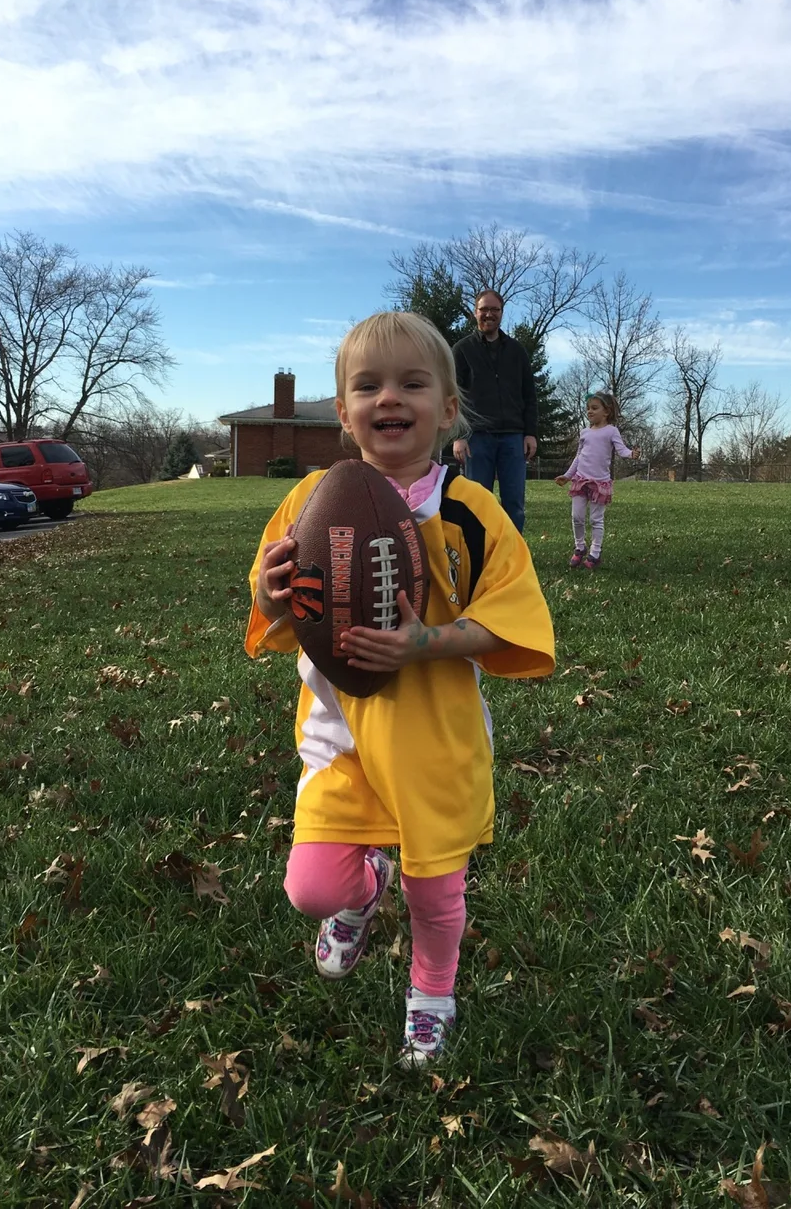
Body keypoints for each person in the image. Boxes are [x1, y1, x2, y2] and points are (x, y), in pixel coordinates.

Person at [247, 311, 554, 1069]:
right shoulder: (310, 500)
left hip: (433, 739)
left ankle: (432, 994)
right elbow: (269, 597)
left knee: (435, 892)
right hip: (341, 735)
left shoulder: (472, 511)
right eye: (368, 386)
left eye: (412, 384)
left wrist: (427, 644)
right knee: (312, 888)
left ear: (447, 410)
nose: (389, 397)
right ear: (343, 412)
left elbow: (512, 616)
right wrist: (269, 592)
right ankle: (363, 887)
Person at [452, 290, 537, 533]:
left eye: (494, 310)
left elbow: (529, 395)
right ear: (475, 312)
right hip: (476, 438)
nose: (489, 314)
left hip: (513, 438)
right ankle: (478, 551)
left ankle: (512, 551)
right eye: (484, 309)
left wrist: (530, 433)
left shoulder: (517, 351)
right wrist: (458, 436)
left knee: (515, 505)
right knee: (477, 503)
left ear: (501, 313)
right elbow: (453, 397)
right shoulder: (462, 350)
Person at [555, 391, 640, 570]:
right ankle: (579, 547)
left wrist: (631, 454)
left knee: (596, 519)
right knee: (577, 516)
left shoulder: (611, 431)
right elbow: (579, 457)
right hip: (580, 480)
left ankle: (595, 552)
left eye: (594, 408)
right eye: (588, 408)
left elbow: (621, 449)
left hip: (599, 483)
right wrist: (568, 476)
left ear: (606, 411)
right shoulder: (584, 433)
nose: (590, 411)